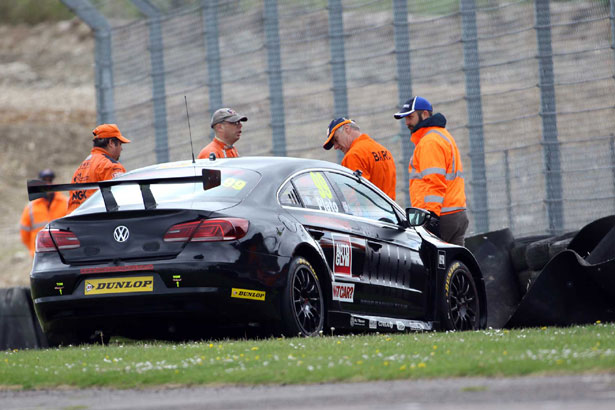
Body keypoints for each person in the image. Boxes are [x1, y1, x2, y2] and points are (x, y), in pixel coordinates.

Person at [394, 96, 468, 246]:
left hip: (442, 216)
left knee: (434, 266)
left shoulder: (430, 141)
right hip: (456, 213)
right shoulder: (442, 136)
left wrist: (430, 217)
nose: (407, 122)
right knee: (456, 265)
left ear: (425, 115)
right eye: (405, 118)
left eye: (410, 117)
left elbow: (434, 181)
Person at [322, 117, 397, 200]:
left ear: (347, 129)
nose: (335, 147)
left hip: (369, 211)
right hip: (390, 210)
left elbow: (356, 197)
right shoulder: (384, 151)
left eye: (336, 139)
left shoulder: (353, 156)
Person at [67, 124, 130, 213]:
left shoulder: (83, 166)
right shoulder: (111, 166)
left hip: (73, 220)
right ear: (111, 143)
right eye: (120, 144)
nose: (121, 149)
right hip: (97, 221)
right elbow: (122, 199)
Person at [20, 169, 68, 256]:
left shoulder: (66, 202)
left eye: (50, 181)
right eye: (44, 181)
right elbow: (24, 235)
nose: (48, 184)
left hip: (63, 253)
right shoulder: (31, 207)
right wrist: (33, 249)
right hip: (39, 254)